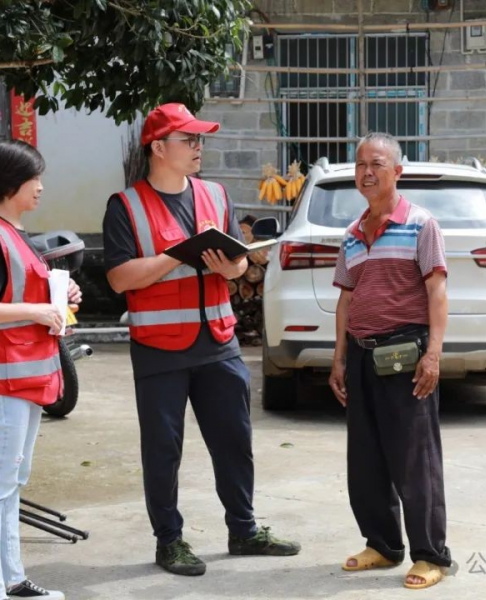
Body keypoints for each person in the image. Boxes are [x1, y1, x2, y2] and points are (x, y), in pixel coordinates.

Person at [102, 103, 300, 577]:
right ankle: (169, 541)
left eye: (200, 140)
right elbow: (118, 278)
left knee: (235, 440)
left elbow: (237, 264)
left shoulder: (215, 194)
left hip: (218, 341)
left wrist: (228, 266)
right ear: (157, 148)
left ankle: (244, 529)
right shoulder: (126, 205)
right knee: (163, 450)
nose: (199, 148)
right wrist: (176, 257)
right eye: (188, 140)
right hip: (159, 347)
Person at [0, 139, 82, 600]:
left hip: (21, 374)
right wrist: (37, 311)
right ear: (11, 185)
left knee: (10, 483)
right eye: (35, 178)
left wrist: (57, 300)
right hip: (2, 376)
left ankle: (11, 581)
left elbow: (11, 298)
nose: (41, 187)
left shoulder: (9, 233)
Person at [329, 132, 453, 590]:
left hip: (406, 355)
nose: (366, 172)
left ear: (397, 171)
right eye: (360, 164)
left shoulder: (421, 224)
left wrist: (434, 353)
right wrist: (339, 358)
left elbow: (436, 291)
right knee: (366, 458)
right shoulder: (352, 235)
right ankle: (382, 544)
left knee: (414, 460)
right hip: (361, 356)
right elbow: (346, 300)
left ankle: (430, 555)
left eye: (377, 163)